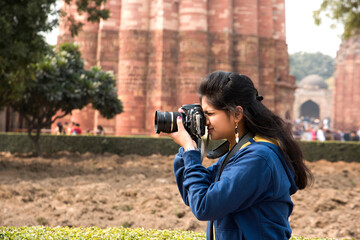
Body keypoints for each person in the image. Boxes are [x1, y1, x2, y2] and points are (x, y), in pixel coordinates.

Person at [168, 71, 313, 240]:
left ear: (237, 114)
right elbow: (192, 195)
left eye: (210, 114)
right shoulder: (239, 151)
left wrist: (190, 150)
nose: (205, 121)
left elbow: (204, 207)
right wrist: (190, 142)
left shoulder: (258, 158)